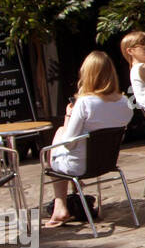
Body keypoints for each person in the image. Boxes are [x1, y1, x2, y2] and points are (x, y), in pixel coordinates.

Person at [42, 52, 135, 228]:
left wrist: (69, 116)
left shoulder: (85, 103)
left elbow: (69, 144)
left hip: (79, 165)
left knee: (59, 136)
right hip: (106, 163)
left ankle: (60, 205)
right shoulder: (125, 102)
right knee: (66, 142)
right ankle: (74, 192)